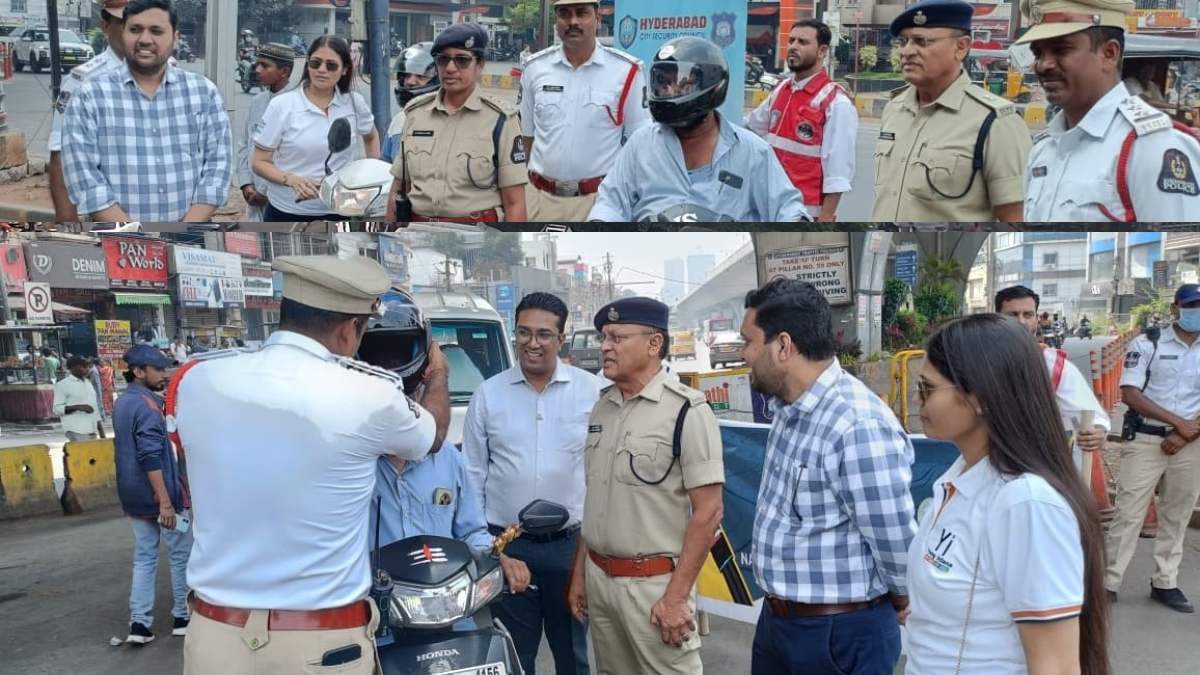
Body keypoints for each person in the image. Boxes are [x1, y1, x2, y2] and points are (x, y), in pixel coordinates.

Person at [176, 255, 451, 674]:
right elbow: (431, 438)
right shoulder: (369, 395)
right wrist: (438, 376)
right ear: (348, 330)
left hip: (215, 636)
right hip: (319, 644)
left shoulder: (197, 381)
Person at [907, 314, 1109, 675]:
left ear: (980, 397)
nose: (916, 400)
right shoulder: (958, 478)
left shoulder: (1025, 504)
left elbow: (1057, 666)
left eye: (927, 388)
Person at [739, 279, 914, 675]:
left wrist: (901, 597)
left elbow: (894, 536)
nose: (743, 354)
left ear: (783, 346)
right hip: (779, 622)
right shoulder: (788, 409)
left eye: (748, 342)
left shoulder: (857, 424)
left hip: (839, 633)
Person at [566, 297, 724, 675]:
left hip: (653, 587)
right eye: (604, 336)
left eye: (617, 337)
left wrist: (676, 597)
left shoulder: (687, 411)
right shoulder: (603, 406)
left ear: (654, 344)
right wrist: (580, 576)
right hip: (600, 580)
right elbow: (598, 498)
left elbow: (709, 513)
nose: (605, 346)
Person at [462, 292, 602, 675]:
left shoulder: (591, 393)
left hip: (569, 549)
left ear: (561, 338)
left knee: (572, 655)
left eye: (543, 334)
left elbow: (600, 475)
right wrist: (488, 551)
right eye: (524, 333)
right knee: (511, 656)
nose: (532, 343)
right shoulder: (488, 394)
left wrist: (588, 555)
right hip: (508, 547)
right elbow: (472, 475)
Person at [588, 37, 810, 223]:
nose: (669, 90)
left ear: (713, 84)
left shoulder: (753, 152)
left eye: (683, 82)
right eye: (662, 82)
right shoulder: (640, 144)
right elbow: (610, 202)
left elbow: (788, 209)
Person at [1018, 0, 1200, 222]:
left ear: (1109, 54)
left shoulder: (1151, 147)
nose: (1043, 65)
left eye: (1061, 50)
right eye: (1038, 53)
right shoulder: (1042, 151)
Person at [62, 0, 232, 222]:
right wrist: (135, 238)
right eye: (135, 29)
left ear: (175, 37)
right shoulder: (90, 95)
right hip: (118, 240)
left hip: (191, 237)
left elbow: (219, 166)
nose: (144, 39)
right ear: (123, 33)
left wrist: (184, 231)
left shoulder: (203, 92)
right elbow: (86, 179)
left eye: (156, 31)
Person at [357, 290, 494, 564]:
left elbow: (472, 532)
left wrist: (498, 557)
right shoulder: (351, 461)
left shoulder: (449, 461)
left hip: (442, 600)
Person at [872, 0, 1030, 222]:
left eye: (922, 41)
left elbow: (1013, 216)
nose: (907, 51)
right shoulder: (894, 109)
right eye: (904, 41)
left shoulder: (996, 122)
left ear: (961, 47)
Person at [1105, 283, 1200, 613]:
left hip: (1191, 444)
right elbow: (1130, 393)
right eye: (1191, 306)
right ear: (1175, 309)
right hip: (1145, 439)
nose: (1196, 311)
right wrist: (1179, 423)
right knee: (1128, 513)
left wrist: (1187, 431)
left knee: (1178, 514)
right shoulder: (1148, 343)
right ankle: (1108, 582)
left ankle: (1165, 582)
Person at [519, 0, 651, 222]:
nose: (573, 22)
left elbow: (641, 144)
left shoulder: (626, 71)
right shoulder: (534, 68)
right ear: (556, 21)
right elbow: (527, 136)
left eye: (582, 13)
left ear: (598, 19)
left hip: (600, 201)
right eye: (564, 14)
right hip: (539, 200)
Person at [386, 24, 528, 224]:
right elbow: (398, 188)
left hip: (477, 237)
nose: (451, 68)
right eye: (443, 60)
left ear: (479, 65)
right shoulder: (416, 114)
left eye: (462, 60)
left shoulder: (501, 119)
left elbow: (515, 203)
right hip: (418, 234)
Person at [113, 344, 192, 645]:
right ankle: (182, 616)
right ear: (138, 372)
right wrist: (167, 503)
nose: (165, 375)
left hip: (134, 499)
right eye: (158, 370)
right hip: (160, 500)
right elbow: (150, 457)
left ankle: (140, 624)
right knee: (181, 552)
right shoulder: (147, 407)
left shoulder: (124, 402)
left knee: (144, 558)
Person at [253, 36, 378, 222]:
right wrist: (291, 180)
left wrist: (370, 177)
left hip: (341, 209)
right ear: (307, 65)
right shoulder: (282, 105)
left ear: (344, 69)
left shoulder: (354, 103)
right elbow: (259, 162)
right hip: (288, 211)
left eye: (331, 65)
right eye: (315, 63)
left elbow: (371, 136)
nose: (321, 70)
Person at [744, 20, 857, 222]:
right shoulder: (782, 89)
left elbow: (837, 172)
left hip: (805, 214)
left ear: (822, 51)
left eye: (803, 42)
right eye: (792, 40)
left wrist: (826, 218)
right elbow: (751, 127)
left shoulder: (836, 102)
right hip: (770, 205)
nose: (794, 46)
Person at [995, 285, 1110, 471]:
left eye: (1028, 315)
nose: (1021, 321)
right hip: (989, 461)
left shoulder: (1054, 365)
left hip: (1038, 466)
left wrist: (1098, 430)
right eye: (1013, 315)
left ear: (1036, 318)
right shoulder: (977, 359)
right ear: (997, 318)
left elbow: (1091, 414)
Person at [49, 0, 130, 222]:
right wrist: (68, 226)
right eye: (124, 22)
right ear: (105, 25)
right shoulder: (82, 80)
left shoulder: (170, 74)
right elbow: (61, 156)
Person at [237, 43, 295, 222]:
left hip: (282, 200)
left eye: (265, 65)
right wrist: (246, 184)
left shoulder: (297, 105)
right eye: (257, 64)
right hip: (253, 199)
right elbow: (244, 145)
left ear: (284, 72)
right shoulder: (257, 102)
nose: (257, 70)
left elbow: (294, 159)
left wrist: (266, 193)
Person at [381, 43, 439, 165]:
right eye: (406, 75)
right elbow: (384, 168)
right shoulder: (398, 121)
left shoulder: (447, 122)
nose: (410, 82)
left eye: (420, 76)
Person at [54, 356, 101, 442]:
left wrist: (101, 433)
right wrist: (78, 407)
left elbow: (95, 409)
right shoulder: (62, 385)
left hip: (92, 428)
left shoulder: (88, 383)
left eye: (88, 367)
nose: (88, 369)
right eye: (84, 367)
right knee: (83, 454)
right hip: (76, 429)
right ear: (73, 368)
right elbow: (57, 409)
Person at [88, 358, 108, 437]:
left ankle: (102, 417)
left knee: (98, 404)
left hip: (95, 390)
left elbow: (92, 381)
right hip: (97, 389)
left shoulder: (93, 371)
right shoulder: (94, 370)